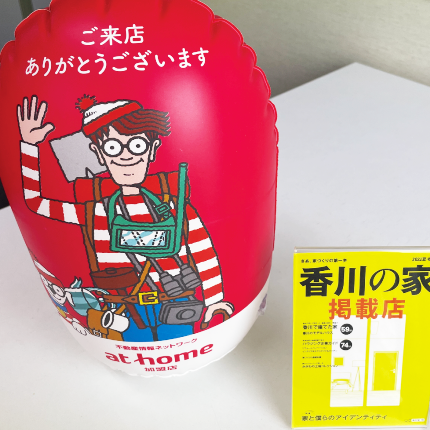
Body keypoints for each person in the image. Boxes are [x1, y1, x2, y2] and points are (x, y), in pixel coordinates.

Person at [18, 95, 234, 341]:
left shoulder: (174, 206)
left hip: (177, 303)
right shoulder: (95, 212)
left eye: (137, 145)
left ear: (152, 149)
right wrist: (29, 145)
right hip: (124, 311)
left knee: (181, 340)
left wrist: (214, 299)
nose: (126, 156)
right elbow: (36, 203)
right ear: (99, 154)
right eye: (113, 147)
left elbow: (202, 251)